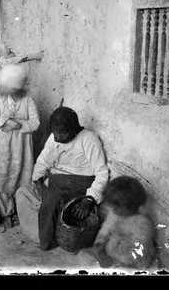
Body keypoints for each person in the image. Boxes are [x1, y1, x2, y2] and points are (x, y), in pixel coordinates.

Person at [31, 106, 110, 251]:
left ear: (74, 128)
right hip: (55, 181)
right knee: (23, 193)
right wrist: (38, 181)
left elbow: (102, 172)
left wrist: (89, 199)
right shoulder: (54, 138)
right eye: (56, 134)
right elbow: (42, 162)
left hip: (78, 186)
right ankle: (43, 234)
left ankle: (48, 240)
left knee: (53, 201)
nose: (59, 138)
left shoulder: (89, 139)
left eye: (64, 134)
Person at [0, 61, 40, 231]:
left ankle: (20, 211)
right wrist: (6, 121)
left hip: (21, 147)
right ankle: (6, 211)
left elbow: (35, 122)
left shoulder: (28, 101)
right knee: (4, 177)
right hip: (1, 146)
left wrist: (19, 126)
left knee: (22, 175)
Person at [84, 176, 157, 270]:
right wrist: (99, 245)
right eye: (112, 205)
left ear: (131, 206)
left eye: (116, 207)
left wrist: (112, 260)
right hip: (112, 254)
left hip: (133, 264)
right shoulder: (115, 214)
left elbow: (136, 252)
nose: (113, 209)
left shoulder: (142, 224)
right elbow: (105, 229)